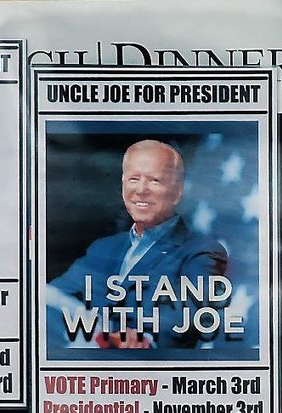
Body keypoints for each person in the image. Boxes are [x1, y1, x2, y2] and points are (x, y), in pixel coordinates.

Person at [47, 139, 228, 349]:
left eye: (155, 180)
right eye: (134, 179)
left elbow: (183, 318)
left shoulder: (202, 252)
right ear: (123, 186)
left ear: (178, 191)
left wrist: (144, 341)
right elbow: (54, 297)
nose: (141, 190)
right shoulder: (103, 248)